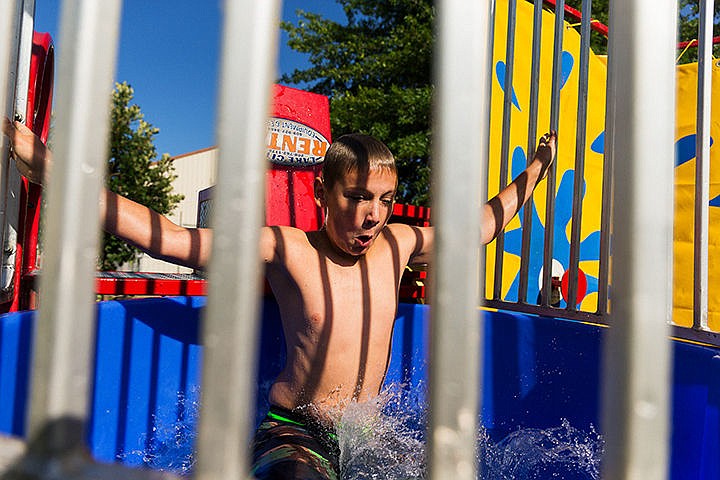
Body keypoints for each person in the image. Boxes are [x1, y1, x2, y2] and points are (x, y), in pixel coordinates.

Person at [3, 118, 556, 479]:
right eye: (357, 197)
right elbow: (172, 239)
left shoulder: (398, 244)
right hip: (296, 432)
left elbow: (480, 226)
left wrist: (535, 169)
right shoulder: (289, 249)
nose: (372, 216)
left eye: (385, 200)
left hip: (367, 431)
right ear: (322, 193)